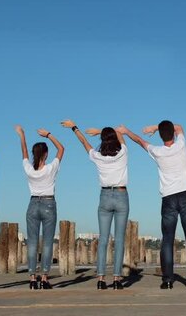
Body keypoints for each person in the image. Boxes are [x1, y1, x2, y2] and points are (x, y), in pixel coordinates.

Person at [119, 121, 186, 290]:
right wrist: (155, 126)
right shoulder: (181, 144)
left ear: (161, 136)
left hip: (168, 198)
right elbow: (179, 127)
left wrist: (127, 131)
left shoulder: (157, 152)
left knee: (167, 240)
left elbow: (140, 141)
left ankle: (167, 280)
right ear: (173, 134)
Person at [61, 119, 129, 290]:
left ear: (103, 141)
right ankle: (116, 279)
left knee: (104, 239)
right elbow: (120, 134)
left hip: (105, 196)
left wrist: (75, 127)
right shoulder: (123, 153)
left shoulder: (97, 157)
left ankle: (100, 279)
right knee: (119, 239)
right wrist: (102, 131)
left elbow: (84, 142)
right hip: (121, 195)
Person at [15, 125, 64, 290]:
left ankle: (31, 278)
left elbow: (23, 153)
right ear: (46, 154)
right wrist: (48, 134)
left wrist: (22, 135)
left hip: (33, 204)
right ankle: (44, 277)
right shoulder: (50, 168)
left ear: (34, 154)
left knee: (32, 243)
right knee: (48, 242)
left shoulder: (29, 169)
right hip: (49, 203)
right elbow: (61, 148)